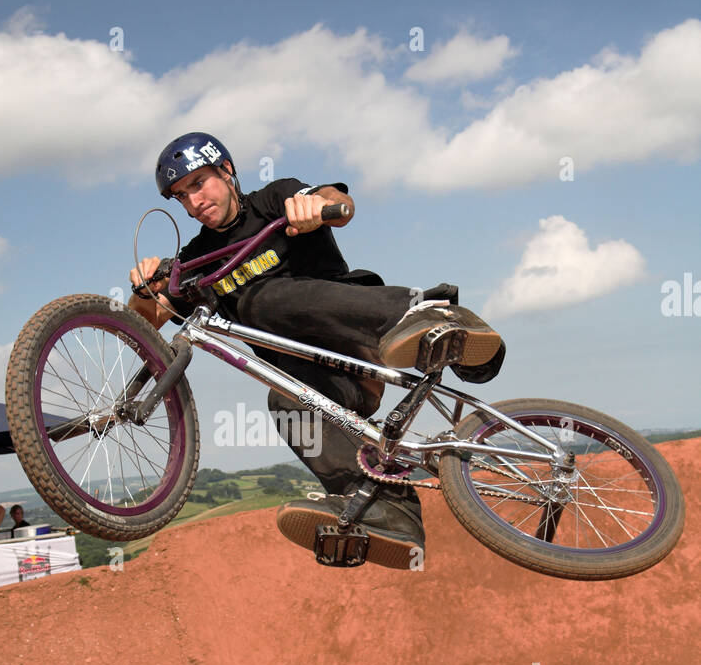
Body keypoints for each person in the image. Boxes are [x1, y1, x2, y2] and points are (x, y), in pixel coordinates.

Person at [128, 131, 505, 570]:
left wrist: (314, 207)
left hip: (363, 333)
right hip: (333, 380)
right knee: (284, 401)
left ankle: (438, 322)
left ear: (226, 171)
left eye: (198, 183)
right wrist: (143, 287)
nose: (194, 201)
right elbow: (144, 321)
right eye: (181, 195)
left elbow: (339, 203)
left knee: (261, 298)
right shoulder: (197, 260)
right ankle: (385, 508)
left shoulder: (274, 199)